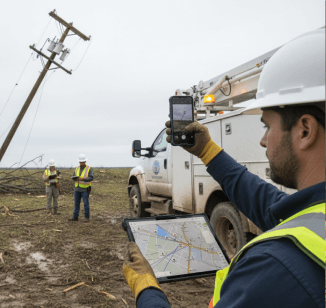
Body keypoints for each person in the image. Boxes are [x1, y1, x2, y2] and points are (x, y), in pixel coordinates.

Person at [122, 29, 325, 308]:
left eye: (267, 125)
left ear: (305, 130)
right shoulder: (315, 218)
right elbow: (271, 206)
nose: (263, 140)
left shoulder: (275, 267)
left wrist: (147, 290)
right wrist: (207, 152)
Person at [68, 154, 94, 222]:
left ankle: (87, 218)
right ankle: (75, 217)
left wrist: (82, 179)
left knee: (86, 204)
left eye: (82, 162)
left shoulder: (89, 168)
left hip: (85, 189)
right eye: (80, 162)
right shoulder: (77, 168)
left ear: (85, 161)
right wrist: (74, 178)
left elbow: (91, 178)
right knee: (76, 203)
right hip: (77, 189)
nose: (81, 163)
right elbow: (74, 176)